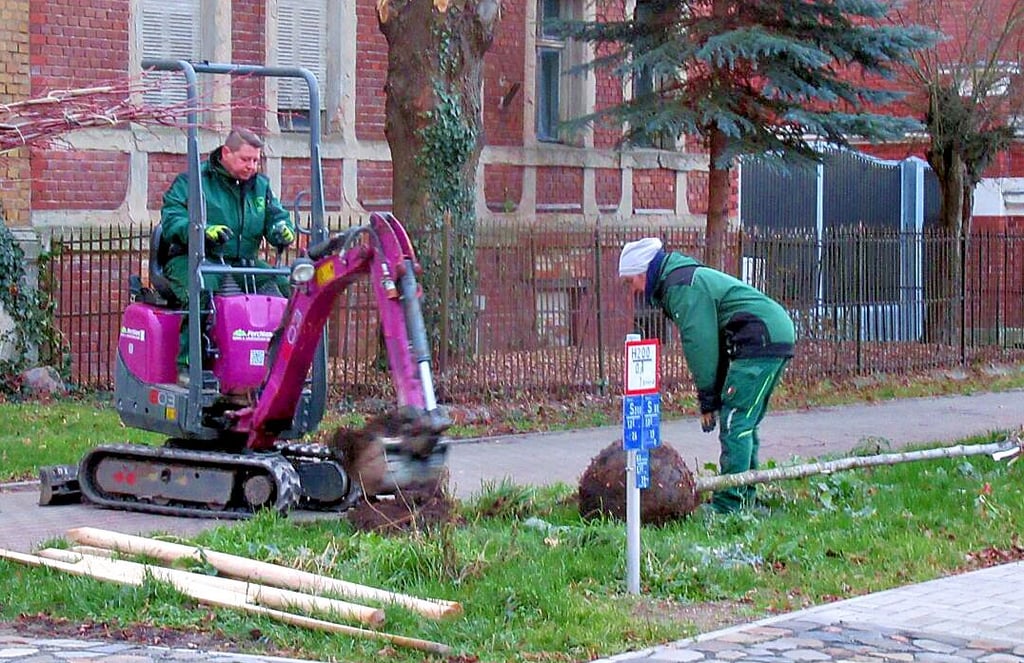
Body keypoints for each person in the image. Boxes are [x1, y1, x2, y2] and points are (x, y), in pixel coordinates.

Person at [618, 238, 795, 514]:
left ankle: (729, 505)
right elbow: (716, 340)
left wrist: (708, 399)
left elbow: (700, 343)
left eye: (632, 282)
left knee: (736, 422)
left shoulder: (681, 286)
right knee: (745, 423)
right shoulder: (682, 278)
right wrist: (715, 392)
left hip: (760, 337)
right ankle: (745, 497)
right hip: (769, 333)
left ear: (644, 272)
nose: (634, 290)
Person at [160, 128, 297, 384]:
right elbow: (172, 220)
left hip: (242, 264)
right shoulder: (193, 182)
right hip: (194, 258)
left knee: (288, 288)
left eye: (255, 160)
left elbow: (276, 216)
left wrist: (282, 229)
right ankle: (190, 365)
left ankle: (281, 364)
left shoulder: (260, 187)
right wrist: (202, 230)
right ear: (226, 153)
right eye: (245, 159)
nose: (251, 166)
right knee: (202, 288)